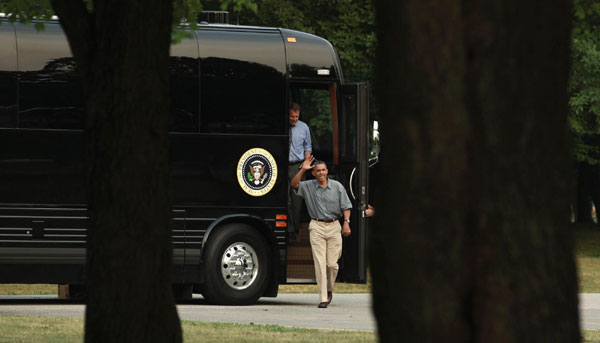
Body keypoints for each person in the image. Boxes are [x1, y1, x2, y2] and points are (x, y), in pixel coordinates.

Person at [291, 156, 352, 308]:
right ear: (313, 173)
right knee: (319, 263)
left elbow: (346, 206)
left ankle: (329, 288)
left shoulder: (337, 186)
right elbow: (294, 184)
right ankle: (323, 298)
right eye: (318, 171)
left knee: (332, 264)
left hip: (334, 225)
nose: (321, 173)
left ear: (327, 171)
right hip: (316, 225)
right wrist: (303, 170)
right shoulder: (308, 186)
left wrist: (346, 223)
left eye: (323, 170)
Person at [288, 102, 312, 241]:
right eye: (292, 116)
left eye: (296, 117)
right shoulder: (282, 125)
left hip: (297, 166)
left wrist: (306, 162)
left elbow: (307, 145)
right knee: (286, 201)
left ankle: (294, 230)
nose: (294, 119)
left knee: (297, 200)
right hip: (281, 165)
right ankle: (287, 230)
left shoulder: (304, 127)